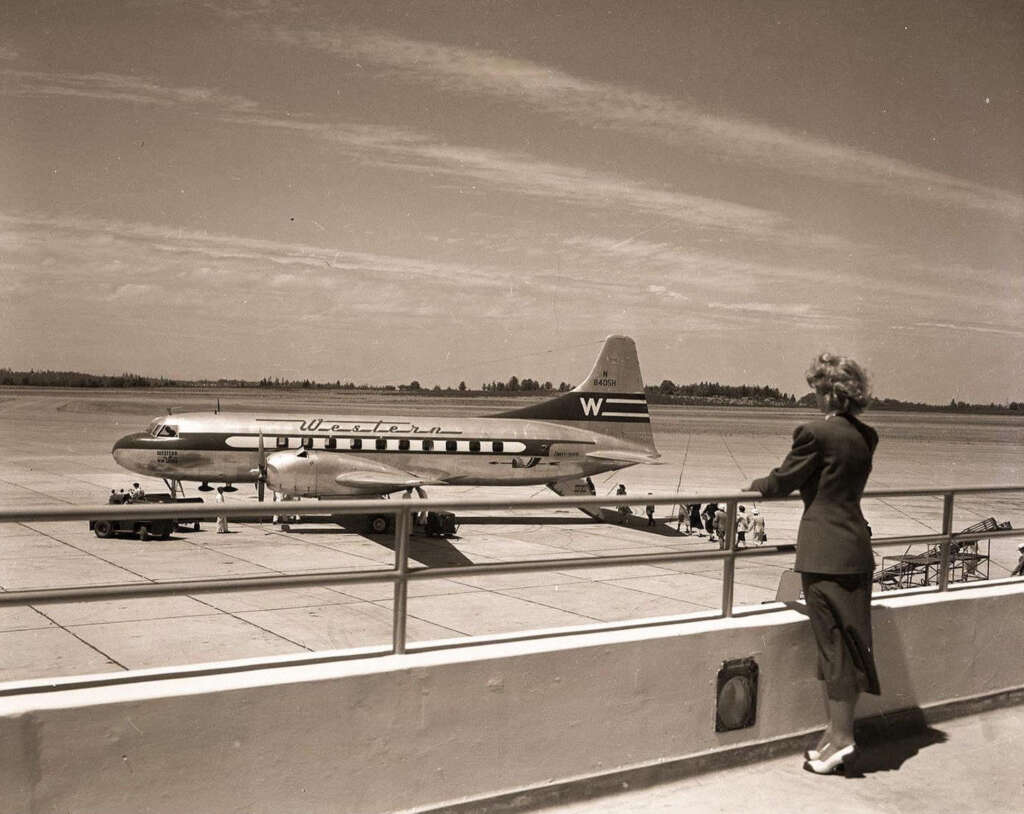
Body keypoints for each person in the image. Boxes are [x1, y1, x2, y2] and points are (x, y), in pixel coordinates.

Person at [745, 352, 879, 775]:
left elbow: (782, 482)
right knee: (852, 647)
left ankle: (842, 739)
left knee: (834, 650)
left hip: (825, 554)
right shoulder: (867, 435)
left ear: (827, 392)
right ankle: (835, 733)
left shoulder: (814, 433)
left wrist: (756, 486)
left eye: (817, 389)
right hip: (856, 548)